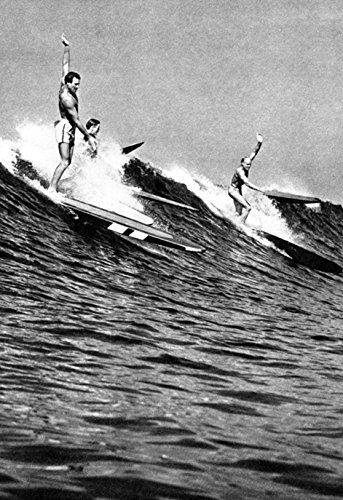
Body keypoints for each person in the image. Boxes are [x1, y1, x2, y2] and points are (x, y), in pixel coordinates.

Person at [49, 34, 96, 192]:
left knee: (67, 162)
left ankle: (57, 185)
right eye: (75, 85)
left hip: (71, 128)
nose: (77, 87)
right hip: (65, 127)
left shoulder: (65, 82)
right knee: (64, 161)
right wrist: (88, 136)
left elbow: (65, 65)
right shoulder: (67, 98)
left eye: (78, 84)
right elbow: (75, 120)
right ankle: (51, 188)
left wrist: (67, 47)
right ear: (68, 83)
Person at [228, 133, 264, 223]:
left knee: (238, 212)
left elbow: (254, 152)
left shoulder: (247, 163)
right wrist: (259, 189)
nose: (249, 166)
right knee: (248, 207)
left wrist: (259, 143)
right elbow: (247, 183)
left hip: (238, 190)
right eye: (247, 164)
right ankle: (241, 225)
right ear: (242, 163)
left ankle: (233, 222)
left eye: (250, 164)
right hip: (233, 191)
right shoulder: (240, 171)